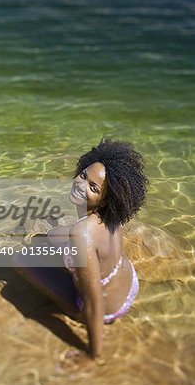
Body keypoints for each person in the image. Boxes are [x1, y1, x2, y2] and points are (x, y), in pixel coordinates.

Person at [14, 139, 148, 365]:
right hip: (128, 286)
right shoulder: (111, 216)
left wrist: (92, 355)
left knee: (19, 260)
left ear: (106, 200)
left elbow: (93, 300)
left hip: (104, 308)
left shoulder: (81, 234)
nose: (80, 184)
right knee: (53, 236)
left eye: (93, 187)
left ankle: (80, 326)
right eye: (83, 175)